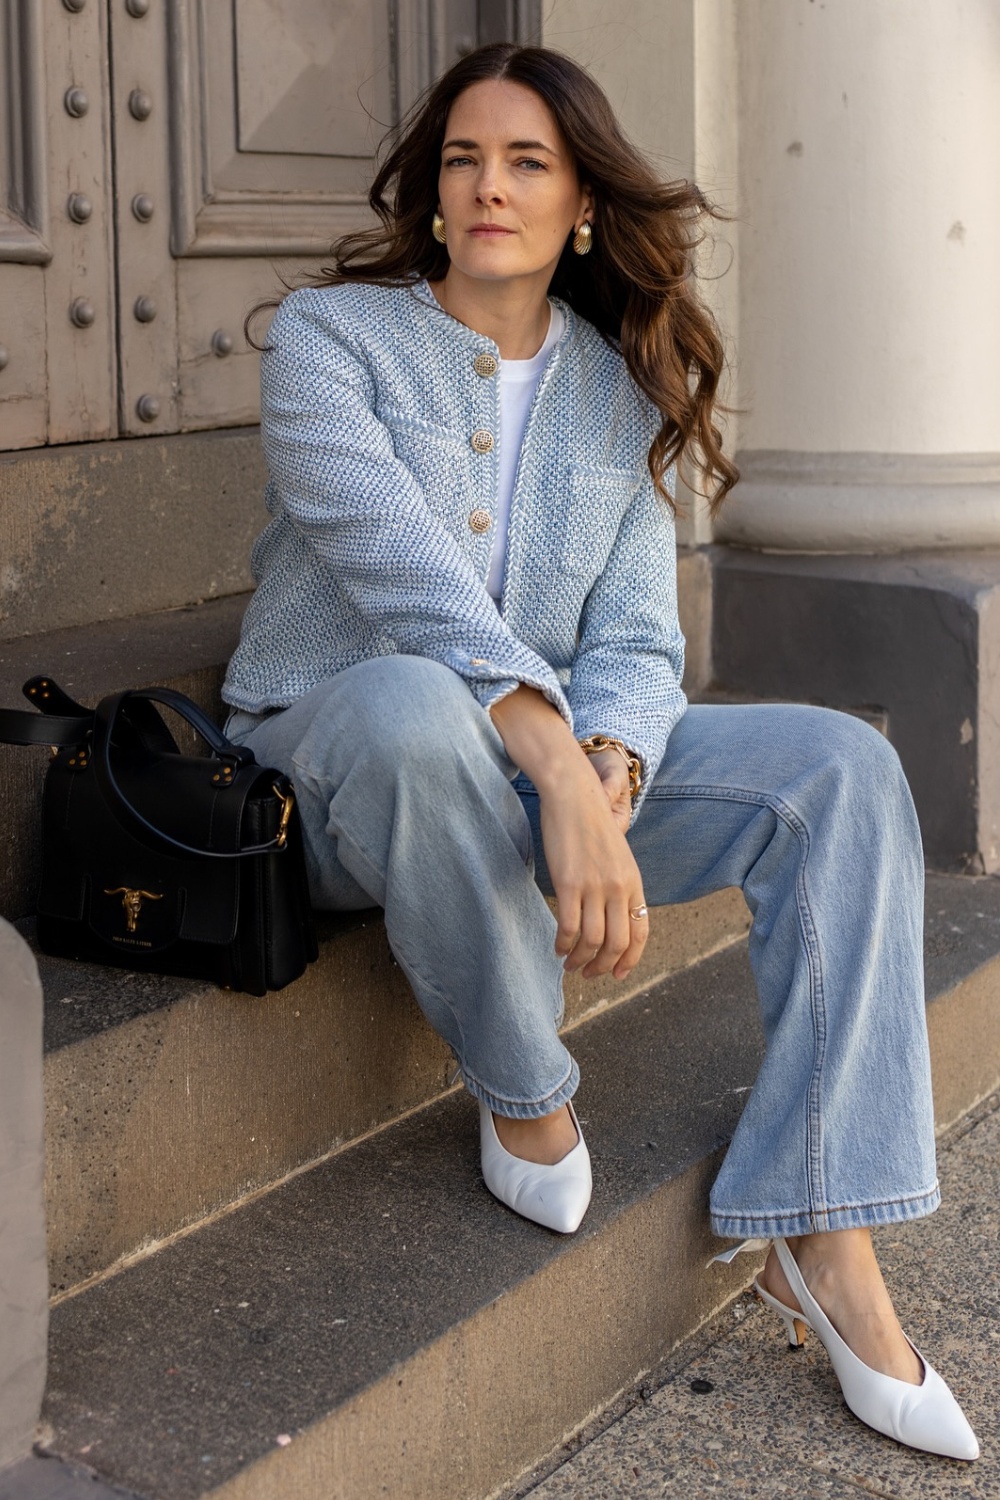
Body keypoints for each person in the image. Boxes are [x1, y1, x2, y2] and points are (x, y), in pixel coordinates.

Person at [222, 43, 979, 1462]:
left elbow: (636, 642)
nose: (487, 184)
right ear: (432, 197)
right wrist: (559, 774)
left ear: (582, 205)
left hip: (534, 777)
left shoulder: (615, 393)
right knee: (406, 698)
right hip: (339, 767)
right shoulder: (331, 342)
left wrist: (613, 771)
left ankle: (826, 1229)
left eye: (525, 161)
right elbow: (399, 572)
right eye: (462, 159)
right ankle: (529, 1089)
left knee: (840, 771)